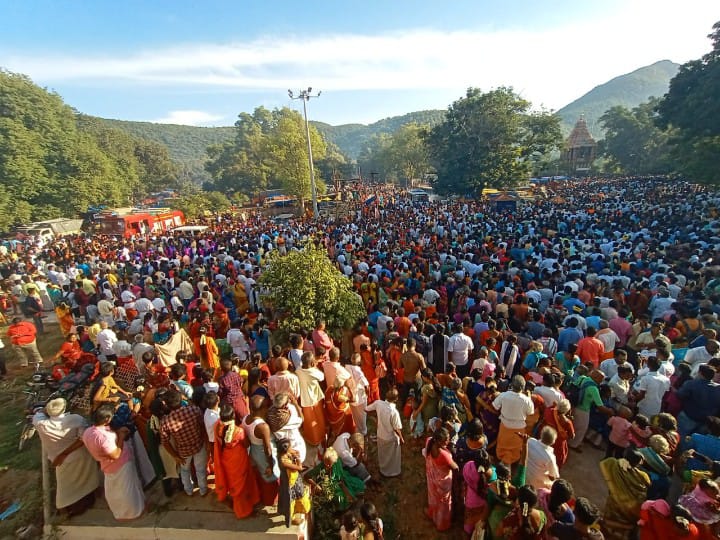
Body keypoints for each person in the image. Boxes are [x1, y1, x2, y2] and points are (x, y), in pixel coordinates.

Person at [33, 398, 100, 516]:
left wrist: (48, 408)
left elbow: (39, 413)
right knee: (86, 479)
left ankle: (66, 509)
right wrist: (65, 453)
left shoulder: (41, 423)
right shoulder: (75, 419)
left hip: (60, 460)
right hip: (79, 455)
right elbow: (82, 439)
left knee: (65, 486)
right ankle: (87, 502)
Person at [82, 404, 145, 521]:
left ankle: (121, 513)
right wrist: (120, 437)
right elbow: (115, 454)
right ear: (106, 420)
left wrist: (116, 432)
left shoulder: (88, 432)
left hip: (107, 466)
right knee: (128, 490)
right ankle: (133, 513)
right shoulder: (103, 437)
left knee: (115, 490)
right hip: (120, 464)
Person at [213, 403, 260, 518]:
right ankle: (243, 511)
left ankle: (238, 504)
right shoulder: (239, 431)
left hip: (226, 460)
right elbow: (246, 444)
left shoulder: (217, 426)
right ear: (233, 416)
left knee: (234, 484)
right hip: (239, 461)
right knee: (242, 486)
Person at [160, 390, 209, 497]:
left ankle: (189, 490)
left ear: (167, 405)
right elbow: (202, 427)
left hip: (183, 451)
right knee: (200, 469)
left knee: (185, 471)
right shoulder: (194, 410)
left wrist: (175, 456)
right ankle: (203, 490)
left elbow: (165, 442)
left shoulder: (165, 421)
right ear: (181, 399)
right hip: (199, 445)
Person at [599, 448, 651, 528]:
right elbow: (647, 485)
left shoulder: (615, 465)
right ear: (637, 464)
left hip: (614, 501)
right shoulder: (643, 476)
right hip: (629, 509)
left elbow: (607, 462)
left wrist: (620, 461)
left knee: (609, 519)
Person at [493, 375, 534, 465]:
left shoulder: (504, 395)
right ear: (523, 387)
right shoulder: (527, 400)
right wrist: (529, 397)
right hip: (519, 429)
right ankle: (511, 463)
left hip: (505, 425)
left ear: (511, 385)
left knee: (503, 445)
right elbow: (530, 412)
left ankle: (503, 463)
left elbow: (495, 406)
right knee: (515, 448)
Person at [423, 427, 459, 531]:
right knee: (444, 504)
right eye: (446, 440)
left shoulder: (429, 440)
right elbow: (455, 468)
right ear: (439, 441)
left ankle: (431, 512)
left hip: (432, 477)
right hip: (442, 483)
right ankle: (442, 524)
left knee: (433, 497)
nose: (448, 441)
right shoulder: (444, 455)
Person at [365, 388, 403, 477]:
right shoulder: (394, 412)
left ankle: (383, 470)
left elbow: (366, 409)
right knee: (393, 456)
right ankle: (393, 472)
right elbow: (397, 428)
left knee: (382, 454)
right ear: (396, 399)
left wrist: (376, 420)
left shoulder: (378, 403)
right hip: (391, 438)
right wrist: (401, 438)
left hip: (380, 435)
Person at [277, 437, 312, 526]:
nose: (291, 448)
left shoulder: (283, 454)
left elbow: (293, 451)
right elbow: (299, 468)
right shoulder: (284, 461)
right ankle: (291, 519)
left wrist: (294, 453)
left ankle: (288, 512)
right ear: (286, 449)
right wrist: (298, 459)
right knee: (290, 501)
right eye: (290, 447)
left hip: (294, 480)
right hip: (290, 484)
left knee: (294, 498)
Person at [526, 426, 560, 490]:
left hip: (526, 473)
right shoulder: (550, 457)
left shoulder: (530, 441)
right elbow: (552, 476)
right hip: (537, 483)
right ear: (553, 442)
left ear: (541, 435)